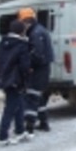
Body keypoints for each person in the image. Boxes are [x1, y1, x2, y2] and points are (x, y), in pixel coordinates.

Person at [0, 19, 31, 146]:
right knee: (10, 107)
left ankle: (20, 131)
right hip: (16, 79)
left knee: (18, 104)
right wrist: (27, 75)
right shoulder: (21, 45)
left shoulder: (2, 43)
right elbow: (24, 65)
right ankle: (2, 136)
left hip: (4, 78)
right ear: (21, 31)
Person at [17, 7, 54, 135]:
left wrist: (27, 64)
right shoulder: (39, 30)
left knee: (32, 97)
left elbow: (37, 54)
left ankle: (29, 127)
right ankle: (44, 123)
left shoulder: (35, 33)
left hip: (39, 70)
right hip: (43, 68)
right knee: (39, 97)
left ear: (27, 21)